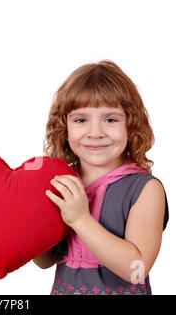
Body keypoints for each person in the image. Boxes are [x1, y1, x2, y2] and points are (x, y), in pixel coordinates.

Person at [33, 60, 169, 295]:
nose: (95, 133)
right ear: (64, 126)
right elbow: (45, 261)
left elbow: (136, 270)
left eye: (110, 119)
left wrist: (80, 219)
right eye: (81, 120)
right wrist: (25, 223)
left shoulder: (145, 189)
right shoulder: (61, 181)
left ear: (131, 123)